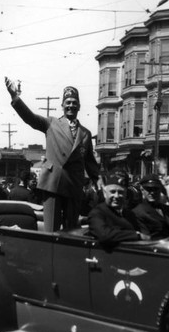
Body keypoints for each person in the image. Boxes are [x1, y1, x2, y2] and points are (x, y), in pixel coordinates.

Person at [5, 77, 101, 231]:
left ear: (79, 107)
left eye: (74, 103)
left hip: (74, 187)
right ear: (62, 105)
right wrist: (15, 97)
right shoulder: (51, 123)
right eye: (68, 102)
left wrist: (101, 183)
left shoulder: (86, 134)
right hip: (53, 184)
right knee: (51, 232)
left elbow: (91, 164)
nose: (71, 106)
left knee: (71, 232)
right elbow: (29, 117)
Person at [88, 169, 147, 248]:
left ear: (126, 194)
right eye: (112, 192)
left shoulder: (129, 214)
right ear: (105, 193)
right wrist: (136, 235)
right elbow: (104, 235)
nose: (116, 196)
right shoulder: (97, 213)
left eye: (121, 192)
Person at [132, 174, 169, 239]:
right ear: (142, 190)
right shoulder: (138, 212)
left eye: (155, 189)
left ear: (160, 190)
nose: (152, 192)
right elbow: (146, 238)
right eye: (149, 189)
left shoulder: (167, 209)